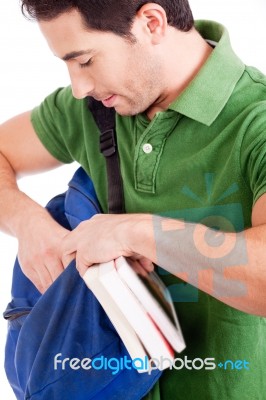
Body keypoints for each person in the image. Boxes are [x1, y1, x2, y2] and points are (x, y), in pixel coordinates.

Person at [1, 0, 266, 398]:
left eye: (86, 60)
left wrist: (136, 233)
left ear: (151, 23)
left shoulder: (255, 122)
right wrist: (28, 225)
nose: (78, 86)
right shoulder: (91, 108)